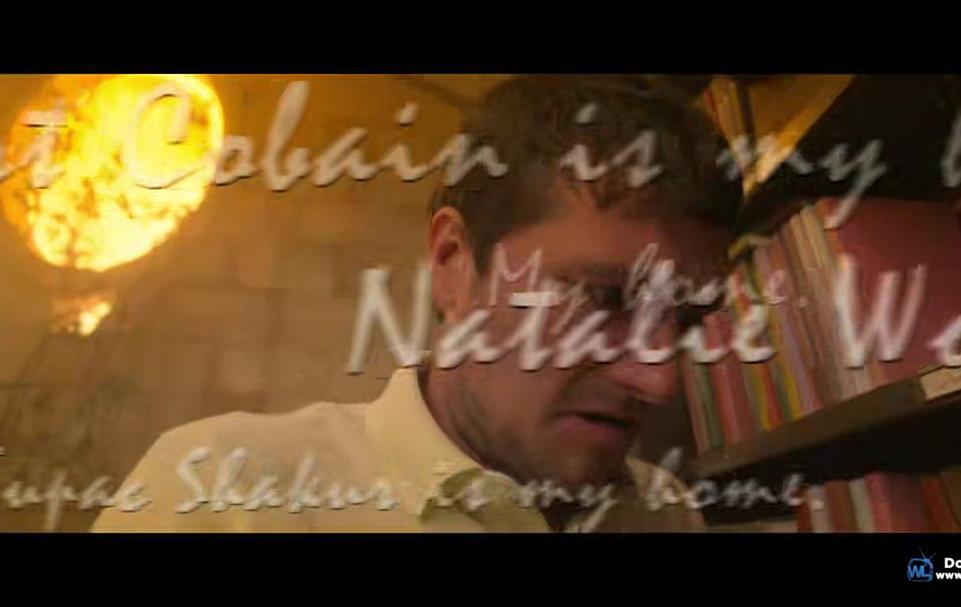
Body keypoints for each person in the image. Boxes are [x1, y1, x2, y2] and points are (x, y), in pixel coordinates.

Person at [92, 75, 740, 532]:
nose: (659, 379)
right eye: (603, 298)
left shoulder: (665, 512)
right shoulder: (220, 495)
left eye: (685, 318)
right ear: (454, 264)